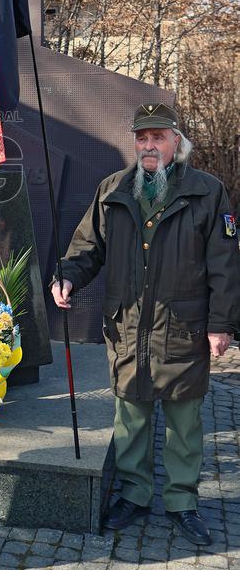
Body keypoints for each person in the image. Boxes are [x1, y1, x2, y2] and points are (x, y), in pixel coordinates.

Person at [51, 103, 240, 546]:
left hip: (183, 326)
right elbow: (86, 247)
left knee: (183, 418)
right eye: (142, 138)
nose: (149, 145)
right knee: (131, 413)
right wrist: (67, 276)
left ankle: (181, 501)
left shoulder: (206, 192)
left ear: (177, 141)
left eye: (158, 137)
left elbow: (225, 266)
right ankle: (134, 495)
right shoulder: (113, 189)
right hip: (128, 323)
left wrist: (222, 324)